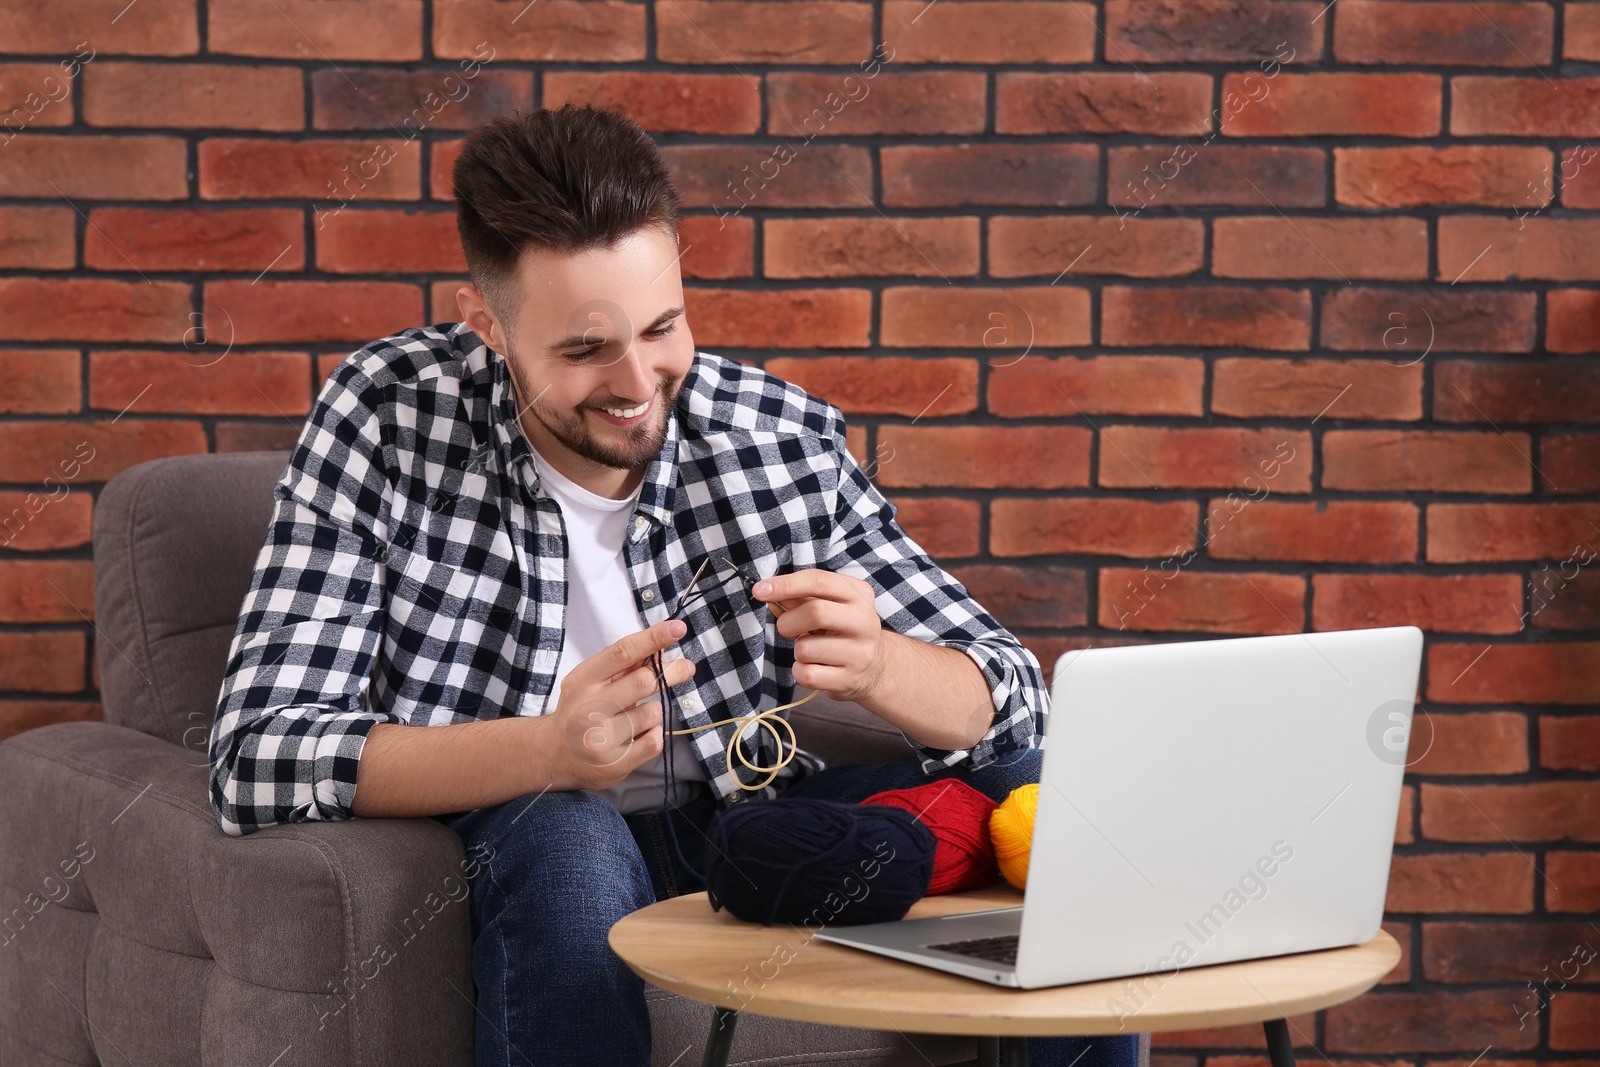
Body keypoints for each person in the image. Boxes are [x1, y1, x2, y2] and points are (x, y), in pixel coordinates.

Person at [209, 103, 1142, 1067]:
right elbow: (259, 753)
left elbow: (1016, 700)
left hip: (759, 826)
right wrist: (549, 749)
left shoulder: (772, 437)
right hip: (534, 833)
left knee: (1046, 801)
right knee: (568, 840)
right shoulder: (387, 419)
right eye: (583, 351)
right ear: (485, 323)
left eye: (662, 327)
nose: (636, 381)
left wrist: (880, 666)